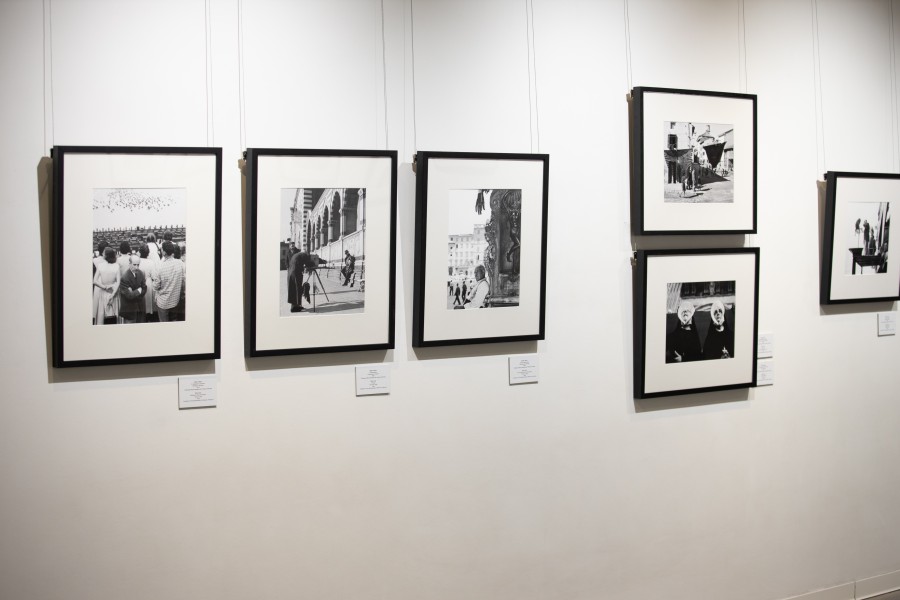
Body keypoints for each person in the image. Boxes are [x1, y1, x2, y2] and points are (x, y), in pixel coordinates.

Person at [154, 241, 185, 322]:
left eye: (162, 249)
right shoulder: (180, 263)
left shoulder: (160, 267)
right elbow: (183, 280)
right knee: (174, 321)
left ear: (164, 252)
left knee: (164, 324)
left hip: (163, 303)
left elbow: (156, 286)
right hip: (175, 301)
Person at [92, 246, 120, 325]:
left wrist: (104, 287)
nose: (102, 253)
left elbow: (94, 281)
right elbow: (118, 282)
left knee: (102, 313)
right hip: (113, 292)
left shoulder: (100, 265)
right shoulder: (116, 266)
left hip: (103, 292)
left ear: (106, 255)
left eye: (103, 253)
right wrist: (113, 294)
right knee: (113, 314)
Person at [118, 255, 147, 324]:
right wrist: (139, 290)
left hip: (140, 307)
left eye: (138, 265)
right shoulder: (124, 278)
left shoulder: (141, 273)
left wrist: (133, 292)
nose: (136, 267)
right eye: (134, 265)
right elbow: (129, 296)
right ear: (129, 264)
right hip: (129, 309)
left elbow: (144, 288)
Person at [137, 244, 158, 322]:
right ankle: (148, 315)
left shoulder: (138, 261)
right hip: (148, 282)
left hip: (139, 283)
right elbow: (154, 276)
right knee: (148, 301)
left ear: (140, 252)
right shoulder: (151, 262)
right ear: (148, 253)